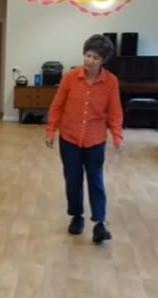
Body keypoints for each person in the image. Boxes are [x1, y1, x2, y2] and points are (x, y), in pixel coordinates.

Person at [45, 34, 123, 244]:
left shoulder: (111, 82)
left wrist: (117, 136)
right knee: (73, 179)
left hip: (95, 140)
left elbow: (115, 112)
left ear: (103, 60)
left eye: (95, 57)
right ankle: (76, 216)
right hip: (69, 138)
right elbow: (57, 105)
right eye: (87, 55)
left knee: (95, 180)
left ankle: (99, 223)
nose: (89, 60)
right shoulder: (70, 77)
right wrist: (50, 130)